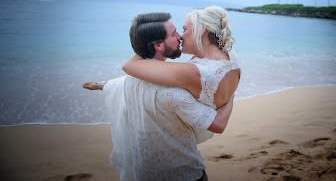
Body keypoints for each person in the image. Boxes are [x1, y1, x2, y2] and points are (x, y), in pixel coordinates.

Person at [83, 12, 235, 181]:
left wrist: (102, 85)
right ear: (158, 46)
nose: (179, 37)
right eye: (173, 33)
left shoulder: (131, 79)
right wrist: (230, 94)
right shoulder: (175, 93)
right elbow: (218, 125)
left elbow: (117, 83)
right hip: (185, 175)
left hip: (144, 175)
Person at [122, 6, 241, 110]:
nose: (181, 36)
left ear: (201, 31)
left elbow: (128, 65)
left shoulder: (194, 71)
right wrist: (230, 97)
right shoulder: (232, 54)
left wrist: (143, 41)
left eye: (184, 30)